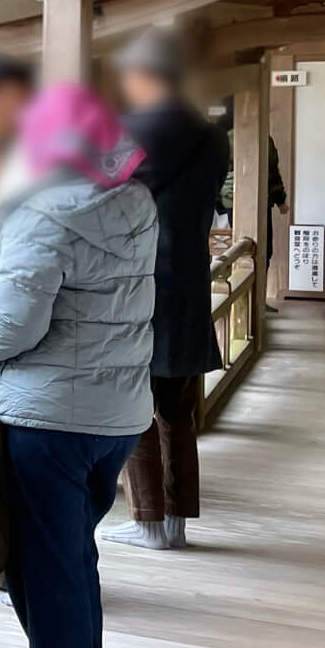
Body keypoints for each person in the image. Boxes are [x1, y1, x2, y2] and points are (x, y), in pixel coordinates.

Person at [0, 83, 157, 648]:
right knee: (71, 550)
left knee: (43, 562)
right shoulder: (136, 200)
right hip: (117, 415)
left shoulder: (40, 212)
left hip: (49, 418)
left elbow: (8, 331)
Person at [106, 27, 228, 551]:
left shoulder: (125, 131)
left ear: (141, 76)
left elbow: (100, 198)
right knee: (178, 409)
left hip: (135, 282)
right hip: (188, 285)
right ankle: (177, 520)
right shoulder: (211, 135)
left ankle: (148, 523)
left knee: (135, 408)